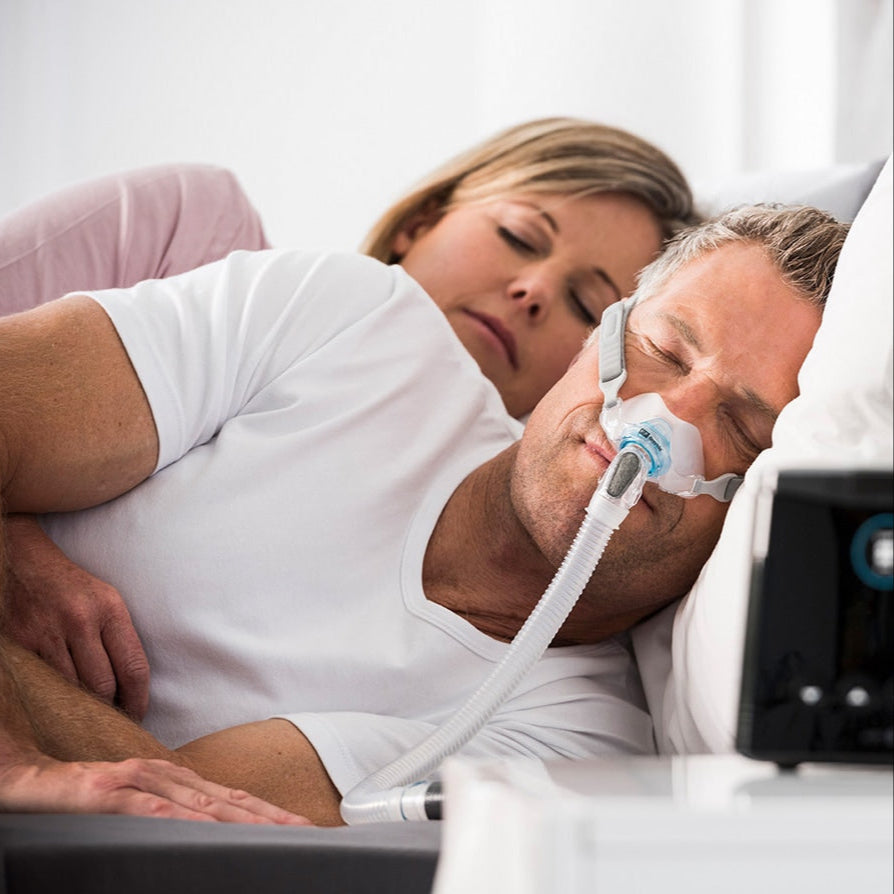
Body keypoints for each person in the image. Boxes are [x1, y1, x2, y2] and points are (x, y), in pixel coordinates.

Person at [0, 202, 848, 824]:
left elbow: (153, 826)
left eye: (743, 425)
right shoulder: (346, 324)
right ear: (599, 334)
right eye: (663, 350)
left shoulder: (575, 750)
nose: (666, 420)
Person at [0, 119, 697, 721]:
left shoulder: (510, 626)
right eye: (518, 236)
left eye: (585, 305)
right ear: (419, 222)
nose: (535, 290)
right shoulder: (192, 226)